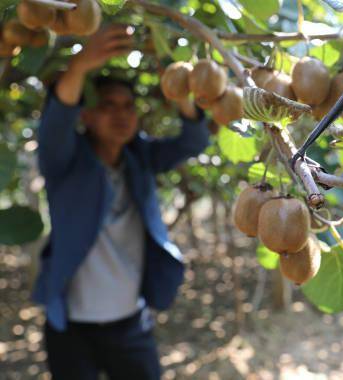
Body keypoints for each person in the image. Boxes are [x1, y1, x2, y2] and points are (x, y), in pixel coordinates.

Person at [33, 25, 209, 380]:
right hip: (71, 328)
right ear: (85, 114)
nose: (121, 114)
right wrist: (80, 67)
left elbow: (194, 141)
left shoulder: (140, 158)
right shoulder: (64, 163)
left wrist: (180, 92)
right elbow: (54, 128)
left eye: (128, 106)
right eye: (108, 105)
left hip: (130, 322)